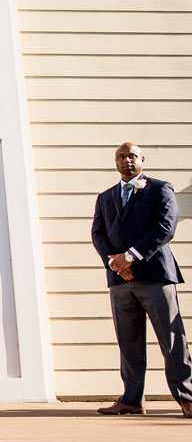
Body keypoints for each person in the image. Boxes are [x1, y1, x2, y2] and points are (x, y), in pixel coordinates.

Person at [91, 142, 192, 418]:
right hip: (120, 280)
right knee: (129, 342)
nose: (127, 160)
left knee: (171, 339)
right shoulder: (105, 197)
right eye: (122, 156)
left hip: (155, 276)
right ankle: (132, 399)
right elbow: (98, 234)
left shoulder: (160, 189)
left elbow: (166, 226)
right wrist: (116, 263)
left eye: (132, 156)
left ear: (142, 160)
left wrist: (131, 257)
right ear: (115, 161)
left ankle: (187, 397)